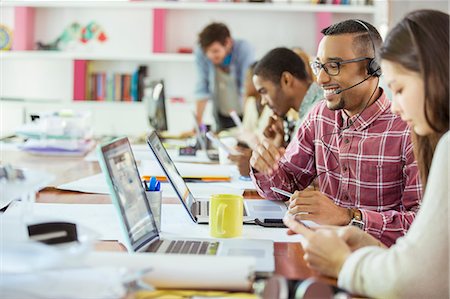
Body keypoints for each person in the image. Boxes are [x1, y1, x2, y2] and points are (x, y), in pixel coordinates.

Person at [284, 10, 449, 298]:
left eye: (399, 88)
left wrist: (343, 261)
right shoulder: (320, 115)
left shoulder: (441, 146)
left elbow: (414, 281)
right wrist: (363, 239)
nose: (395, 106)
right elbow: (429, 256)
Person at [250, 19, 422, 246]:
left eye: (334, 66)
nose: (320, 79)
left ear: (373, 68)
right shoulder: (320, 116)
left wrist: (349, 218)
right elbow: (286, 185)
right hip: (322, 250)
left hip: (379, 262)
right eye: (319, 66)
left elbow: (420, 226)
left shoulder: (408, 128)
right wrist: (264, 167)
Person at [252, 47, 323, 148]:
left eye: (264, 91)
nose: (263, 101)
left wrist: (267, 162)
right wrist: (280, 144)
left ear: (286, 80)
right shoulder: (306, 113)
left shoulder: (318, 113)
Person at [194, 22, 255, 131]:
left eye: (215, 51)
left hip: (242, 112)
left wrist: (246, 126)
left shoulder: (243, 49)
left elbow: (245, 88)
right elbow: (202, 88)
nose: (210, 56)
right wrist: (197, 124)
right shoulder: (201, 53)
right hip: (221, 112)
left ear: (228, 43)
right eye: (207, 52)